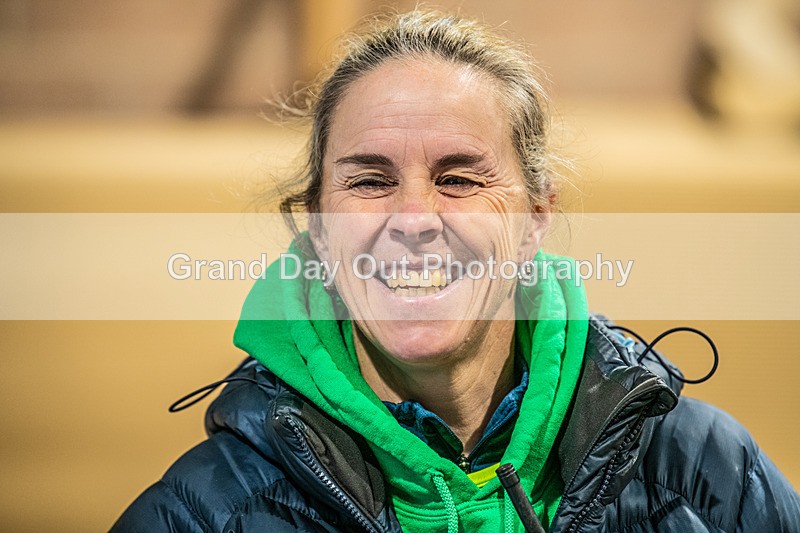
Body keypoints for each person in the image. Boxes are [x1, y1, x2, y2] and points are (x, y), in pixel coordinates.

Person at [112, 10, 800, 532]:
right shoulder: (204, 513)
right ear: (317, 225)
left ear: (535, 219)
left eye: (460, 179)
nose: (414, 218)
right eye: (370, 181)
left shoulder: (706, 476)